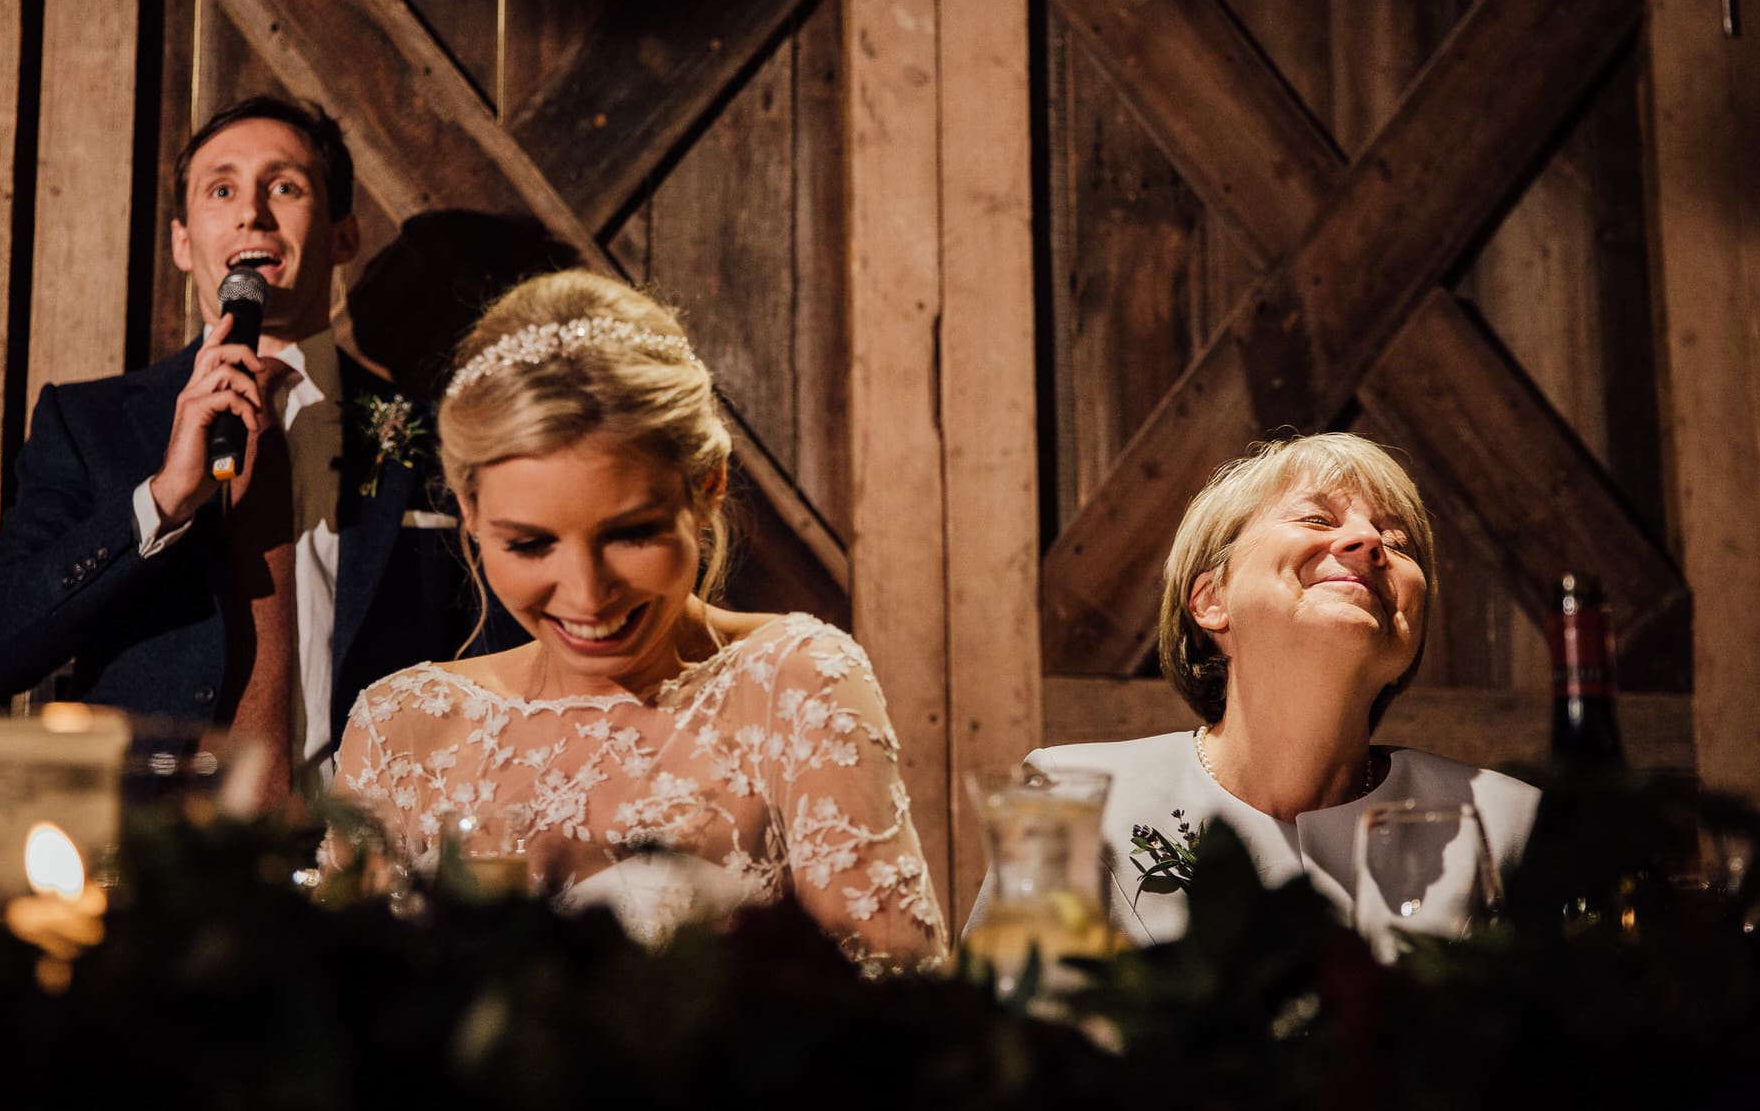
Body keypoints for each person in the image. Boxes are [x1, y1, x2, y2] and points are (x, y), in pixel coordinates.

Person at [328, 270, 948, 965]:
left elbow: (900, 1024)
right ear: (470, 513)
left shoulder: (795, 684)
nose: (588, 595)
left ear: (707, 486)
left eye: (631, 534)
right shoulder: (401, 727)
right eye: (530, 543)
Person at [0, 96, 515, 798]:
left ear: (343, 235)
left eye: (285, 186)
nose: (252, 211)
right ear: (184, 241)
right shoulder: (90, 422)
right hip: (156, 869)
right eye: (222, 190)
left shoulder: (438, 435)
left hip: (372, 867)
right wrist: (163, 501)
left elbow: (503, 660)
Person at [1001, 432, 1538, 946]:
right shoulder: (1066, 803)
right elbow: (1006, 1031)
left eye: (1398, 544)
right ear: (1212, 600)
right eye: (1314, 518)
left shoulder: (1512, 824)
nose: (1371, 542)